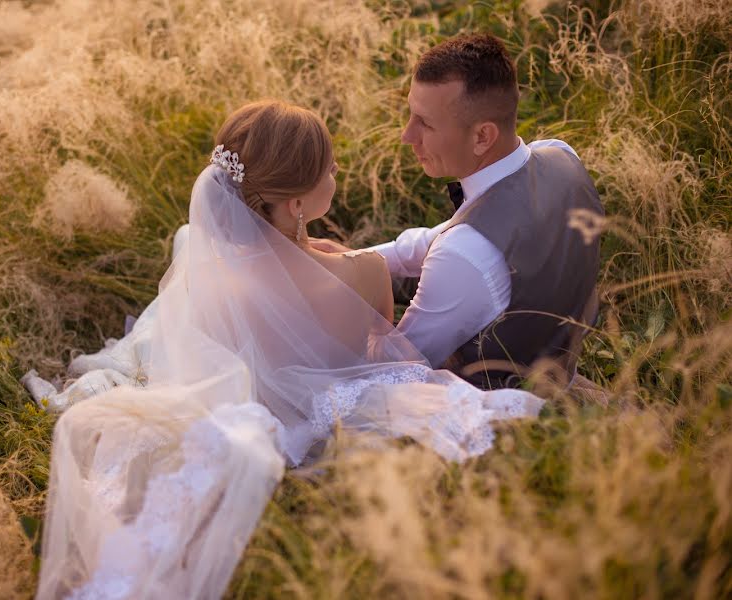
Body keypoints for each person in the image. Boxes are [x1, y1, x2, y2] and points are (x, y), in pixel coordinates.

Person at [31, 100, 543, 600]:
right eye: (329, 170)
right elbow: (381, 347)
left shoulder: (209, 280)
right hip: (319, 402)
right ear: (297, 204)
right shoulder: (363, 274)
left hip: (246, 395)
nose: (336, 172)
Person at [314, 34, 604, 390]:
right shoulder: (560, 155)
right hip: (561, 362)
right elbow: (448, 236)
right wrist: (352, 259)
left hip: (507, 409)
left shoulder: (464, 255)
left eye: (426, 123)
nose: (407, 135)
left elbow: (397, 365)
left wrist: (352, 308)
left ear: (483, 137)